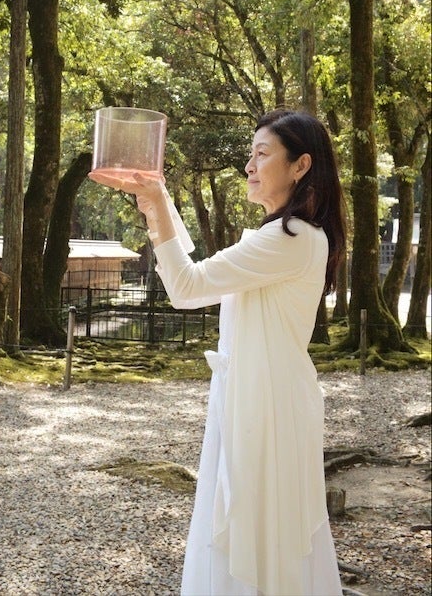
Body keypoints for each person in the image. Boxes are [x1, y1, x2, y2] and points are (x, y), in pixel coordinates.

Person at [90, 108, 347, 596]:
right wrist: (157, 201)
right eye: (250, 154)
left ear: (301, 165)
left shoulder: (289, 239)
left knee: (258, 527)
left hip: (267, 406)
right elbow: (198, 273)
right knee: (257, 526)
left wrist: (157, 200)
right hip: (260, 397)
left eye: (262, 154)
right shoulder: (287, 238)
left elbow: (186, 286)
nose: (249, 166)